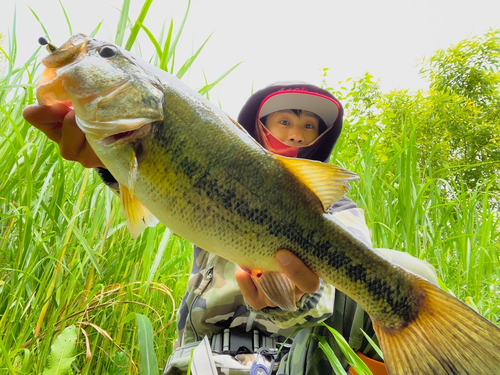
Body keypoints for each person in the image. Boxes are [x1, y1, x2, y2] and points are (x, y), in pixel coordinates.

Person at [24, 81, 438, 375]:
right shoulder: (213, 169)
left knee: (405, 270)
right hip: (207, 347)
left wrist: (289, 295)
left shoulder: (336, 206)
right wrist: (107, 161)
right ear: (259, 126)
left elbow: (332, 285)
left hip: (300, 346)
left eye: (309, 126)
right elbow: (160, 183)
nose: (296, 133)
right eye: (285, 121)